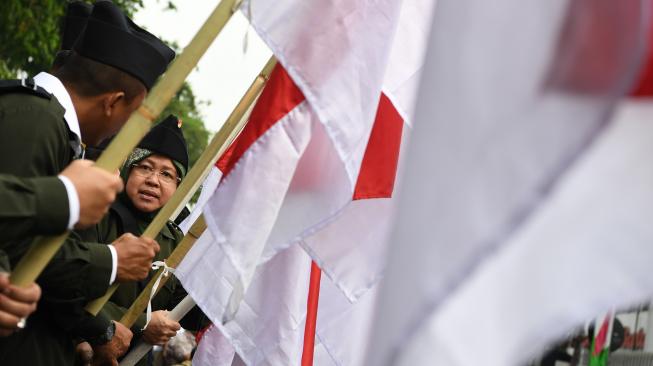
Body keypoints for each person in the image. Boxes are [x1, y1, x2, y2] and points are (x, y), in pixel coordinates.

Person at [0, 1, 175, 364]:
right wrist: (111, 260)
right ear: (114, 102)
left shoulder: (49, 124)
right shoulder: (36, 120)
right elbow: (18, 244)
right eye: (133, 116)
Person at [77, 115, 208, 365]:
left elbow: (185, 310)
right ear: (129, 169)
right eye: (145, 167)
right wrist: (142, 323)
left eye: (167, 174)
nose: (153, 180)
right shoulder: (97, 214)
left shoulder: (175, 240)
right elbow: (69, 287)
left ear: (178, 185)